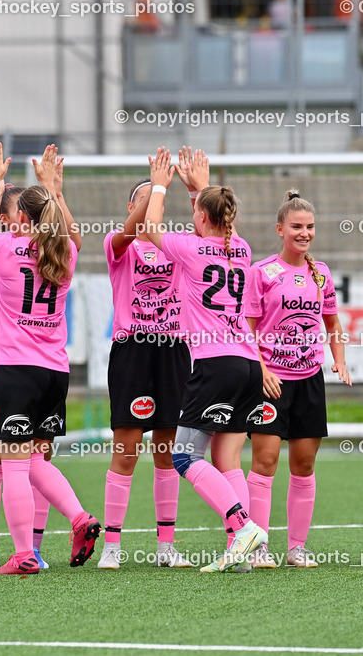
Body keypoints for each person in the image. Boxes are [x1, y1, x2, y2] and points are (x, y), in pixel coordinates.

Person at [0, 141, 100, 575]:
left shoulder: (5, 249)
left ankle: (24, 552)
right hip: (55, 372)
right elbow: (67, 233)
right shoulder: (67, 252)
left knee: (13, 463)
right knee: (34, 460)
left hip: (15, 371)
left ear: (20, 219)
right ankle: (80, 517)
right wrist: (51, 187)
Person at [142, 147, 267, 573]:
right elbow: (216, 223)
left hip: (215, 364)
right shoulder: (243, 249)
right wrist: (199, 186)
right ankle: (244, 551)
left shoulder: (190, 249)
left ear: (200, 218)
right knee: (227, 459)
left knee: (183, 457)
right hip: (248, 364)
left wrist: (160, 182)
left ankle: (242, 526)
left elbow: (149, 226)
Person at [96, 148, 207, 570]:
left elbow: (207, 235)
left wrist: (195, 189)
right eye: (140, 199)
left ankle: (165, 546)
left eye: (155, 201)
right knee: (125, 450)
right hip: (133, 352)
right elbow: (129, 230)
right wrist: (154, 185)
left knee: (168, 451)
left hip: (173, 351)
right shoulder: (118, 245)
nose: (148, 207)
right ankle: (112, 545)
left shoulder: (176, 247)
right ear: (130, 207)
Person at [244, 190, 352, 569]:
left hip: (309, 380)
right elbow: (246, 329)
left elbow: (333, 324)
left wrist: (339, 360)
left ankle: (297, 549)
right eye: (296, 227)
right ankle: (258, 547)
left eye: (309, 227)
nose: (304, 233)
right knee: (265, 461)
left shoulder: (320, 273)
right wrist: (262, 369)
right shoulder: (262, 272)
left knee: (304, 464)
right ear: (280, 229)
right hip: (270, 381)